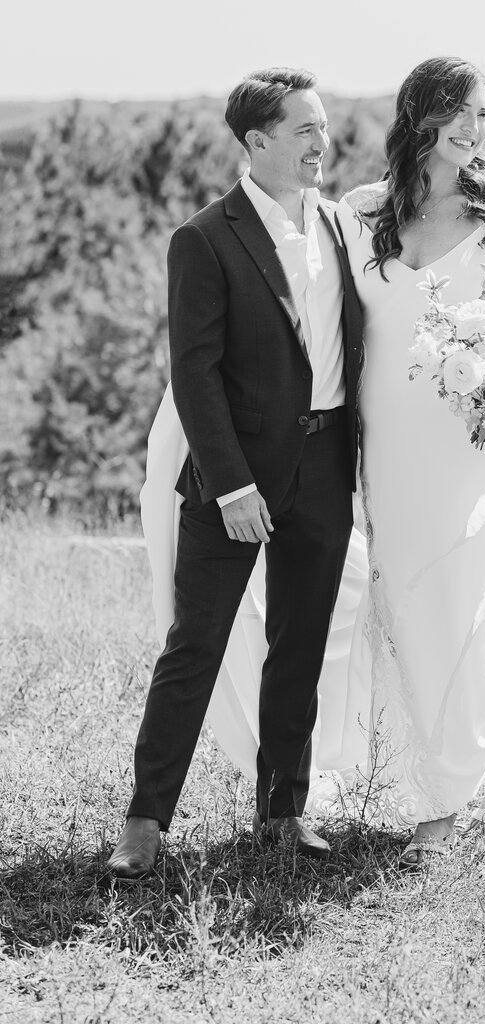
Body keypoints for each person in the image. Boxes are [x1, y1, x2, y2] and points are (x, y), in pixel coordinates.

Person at [106, 67, 363, 879]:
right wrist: (232, 484)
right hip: (235, 477)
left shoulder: (342, 228)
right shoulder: (205, 238)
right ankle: (145, 822)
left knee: (302, 642)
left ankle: (282, 812)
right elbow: (195, 372)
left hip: (326, 464)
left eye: (323, 127)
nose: (322, 142)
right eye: (304, 130)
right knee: (197, 644)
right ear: (257, 143)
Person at [335, 56, 485, 865]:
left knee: (460, 606)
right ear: (420, 114)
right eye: (459, 110)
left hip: (469, 447)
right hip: (384, 444)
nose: (473, 127)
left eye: (483, 114)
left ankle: (447, 800)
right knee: (406, 609)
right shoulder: (364, 215)